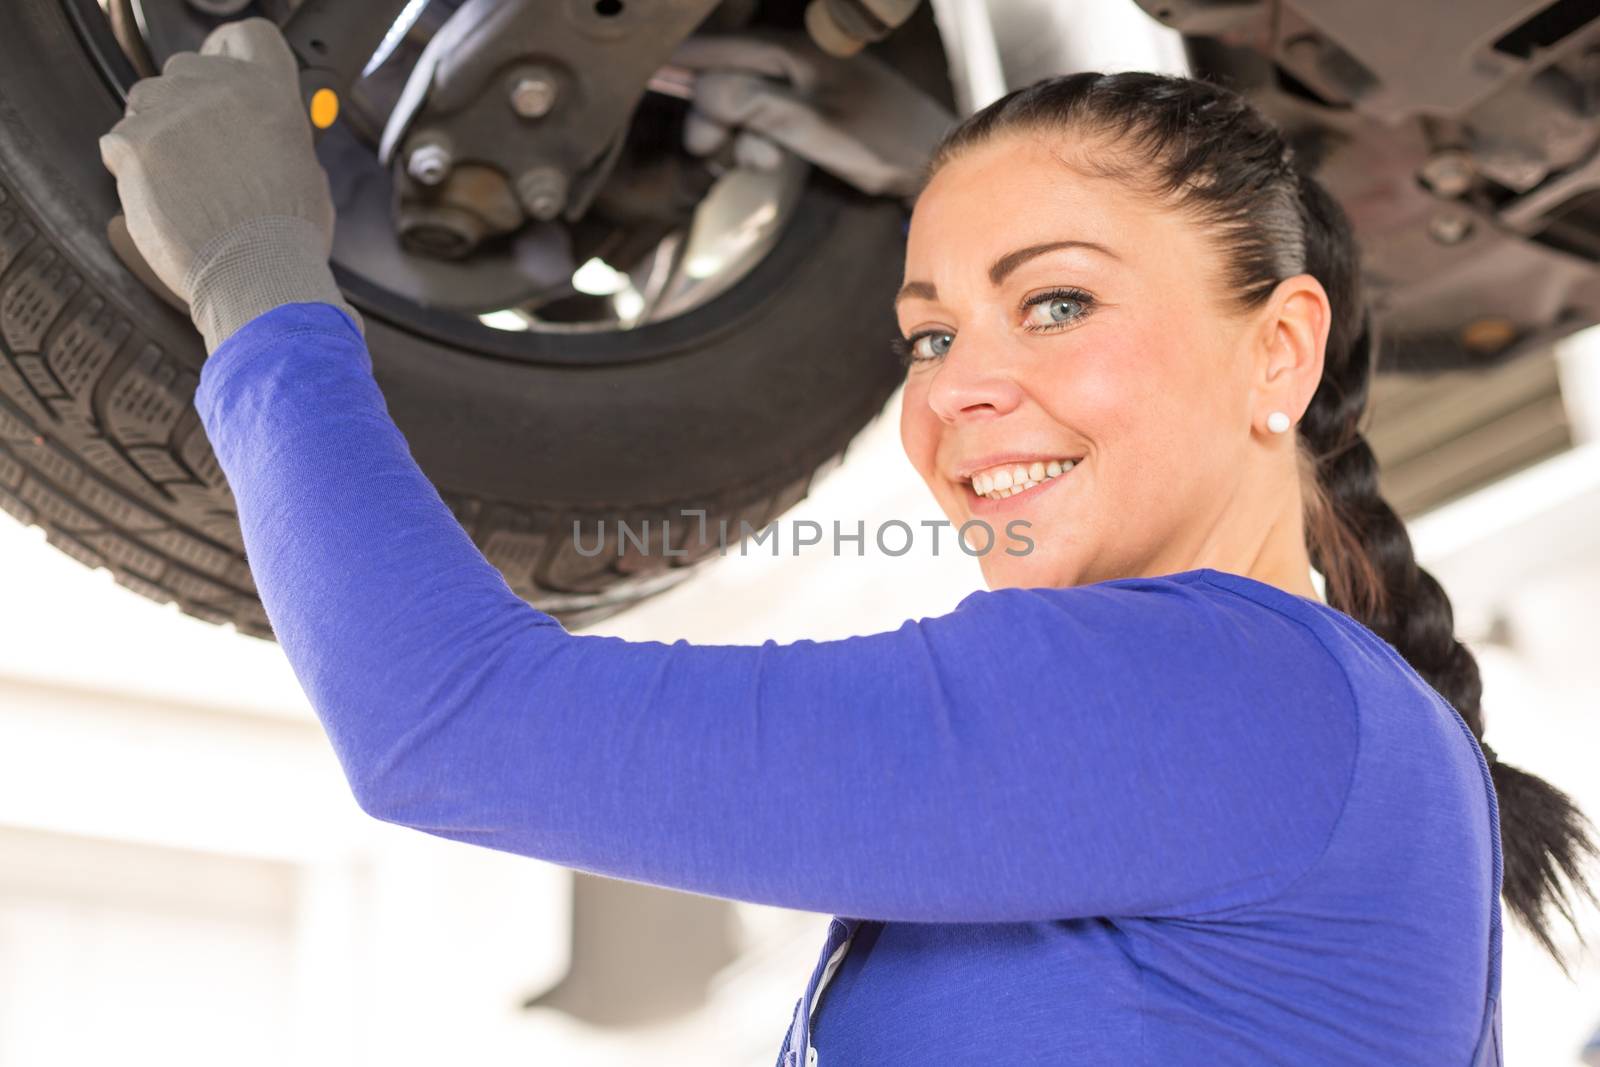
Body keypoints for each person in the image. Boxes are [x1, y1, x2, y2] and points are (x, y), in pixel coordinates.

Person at [99, 18, 1597, 1067]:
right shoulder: (1288, 722)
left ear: (1279, 357)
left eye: (1057, 302)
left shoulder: (1214, 687)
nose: (958, 390)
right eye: (928, 332)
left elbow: (451, 724)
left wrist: (257, 276)